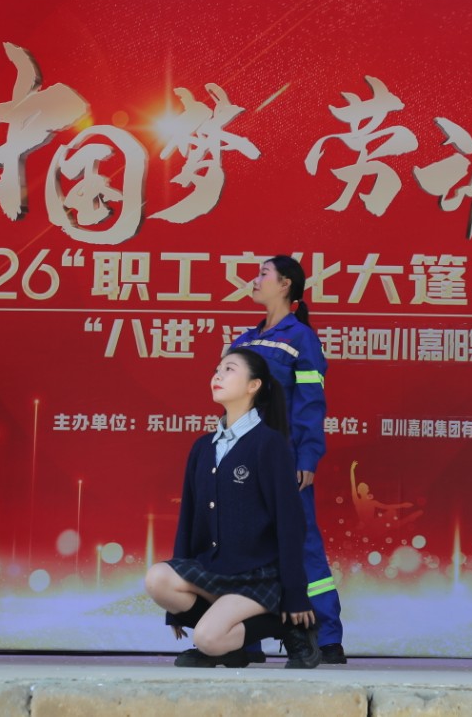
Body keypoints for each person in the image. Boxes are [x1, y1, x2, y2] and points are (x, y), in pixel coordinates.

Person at [144, 349, 319, 669]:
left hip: (258, 577)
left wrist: (295, 593)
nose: (218, 375)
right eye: (217, 369)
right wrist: (175, 612)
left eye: (229, 369)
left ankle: (289, 627)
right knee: (157, 578)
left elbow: (290, 522)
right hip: (215, 572)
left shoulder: (269, 443)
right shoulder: (202, 447)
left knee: (207, 638)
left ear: (253, 385)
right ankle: (228, 648)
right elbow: (188, 521)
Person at [228, 255, 345, 663]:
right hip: (243, 462)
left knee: (301, 545)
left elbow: (311, 403)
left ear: (285, 285)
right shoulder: (243, 341)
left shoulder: (301, 338)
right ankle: (244, 640)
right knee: (243, 547)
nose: (254, 279)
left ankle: (325, 639)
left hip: (284, 460)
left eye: (263, 274)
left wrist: (307, 456)